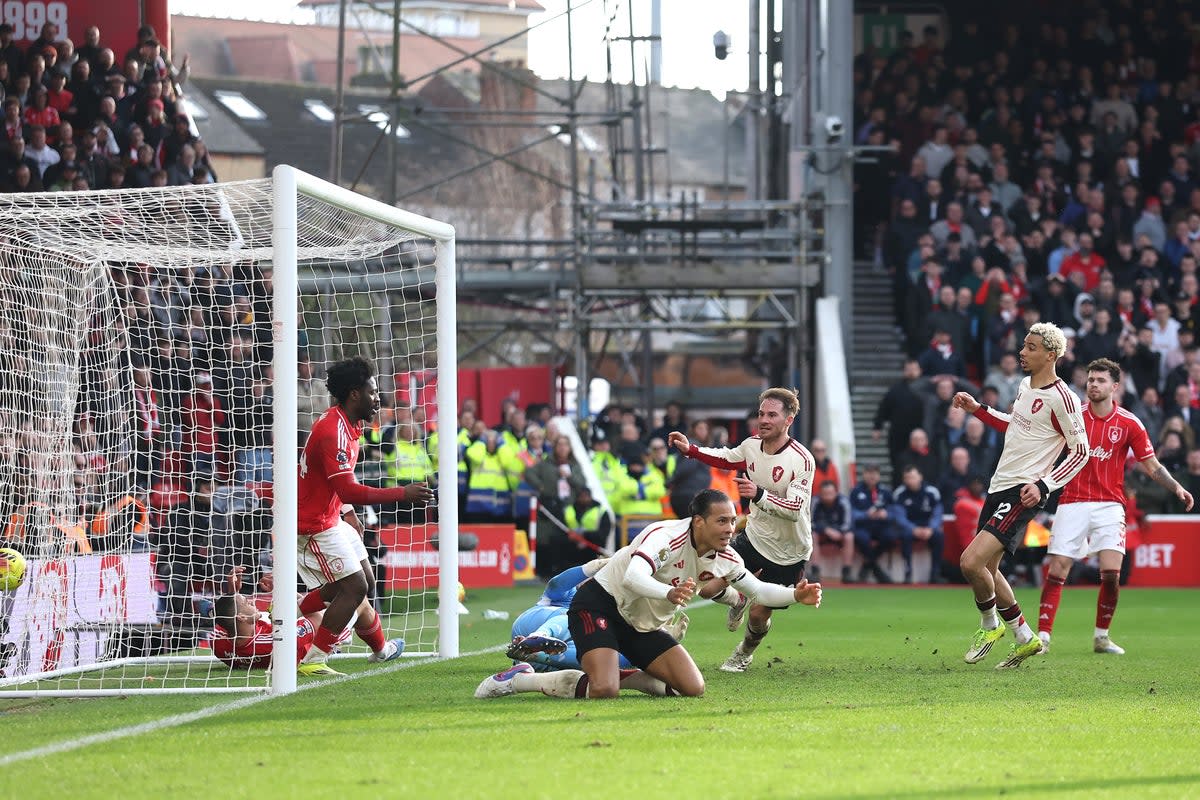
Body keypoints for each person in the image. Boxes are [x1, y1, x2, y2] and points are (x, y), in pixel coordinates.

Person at [473, 490, 822, 700]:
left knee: (692, 688)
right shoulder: (665, 536)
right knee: (604, 690)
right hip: (601, 605)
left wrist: (795, 595)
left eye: (732, 521)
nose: (730, 529)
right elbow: (633, 575)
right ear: (698, 521)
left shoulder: (727, 557)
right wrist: (669, 592)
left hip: (639, 625)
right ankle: (519, 680)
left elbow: (757, 590)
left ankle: (626, 677)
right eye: (722, 521)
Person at [951, 322, 1091, 670]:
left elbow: (1081, 452)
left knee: (970, 562)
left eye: (1031, 347)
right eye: (1024, 345)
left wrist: (1044, 485)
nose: (1022, 352)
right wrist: (978, 410)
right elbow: (1014, 425)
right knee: (989, 569)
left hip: (1023, 491)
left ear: (1051, 355)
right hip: (999, 484)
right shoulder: (1026, 385)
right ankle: (1025, 637)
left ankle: (989, 626)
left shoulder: (1064, 398)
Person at [1037, 359, 1194, 655]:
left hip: (1110, 505)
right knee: (1057, 569)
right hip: (1072, 501)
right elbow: (1044, 447)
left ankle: (1101, 637)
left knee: (1111, 575)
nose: (1094, 385)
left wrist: (1176, 487)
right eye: (1091, 380)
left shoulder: (1129, 423)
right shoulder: (1072, 418)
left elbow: (1152, 465)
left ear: (1115, 387)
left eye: (1100, 380)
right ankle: (1043, 638)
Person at [295, 356, 433, 676]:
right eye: (372, 392)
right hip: (313, 525)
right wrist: (402, 493)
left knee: (366, 582)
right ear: (354, 394)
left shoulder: (349, 424)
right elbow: (349, 489)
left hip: (332, 516)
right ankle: (314, 658)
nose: (378, 399)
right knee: (354, 587)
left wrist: (348, 513)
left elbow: (334, 482)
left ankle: (377, 649)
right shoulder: (333, 431)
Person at [668, 387, 815, 673]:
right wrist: (692, 450)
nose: (764, 420)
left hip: (788, 552)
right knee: (707, 586)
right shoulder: (751, 446)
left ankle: (743, 653)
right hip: (754, 537)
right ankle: (739, 598)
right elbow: (725, 458)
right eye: (761, 414)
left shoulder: (802, 459)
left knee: (759, 615)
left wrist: (759, 494)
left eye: (772, 415)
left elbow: (795, 508)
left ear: (788, 420)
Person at [503, 560, 690, 673]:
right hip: (531, 625)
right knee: (572, 616)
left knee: (601, 659)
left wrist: (659, 643)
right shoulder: (569, 594)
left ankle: (535, 655)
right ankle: (538, 638)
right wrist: (592, 567)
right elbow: (556, 585)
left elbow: (620, 658)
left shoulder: (611, 608)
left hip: (544, 661)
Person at [891, 465, 947, 583]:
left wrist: (931, 528)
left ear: (920, 477)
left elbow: (937, 513)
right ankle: (908, 572)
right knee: (905, 535)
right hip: (909, 527)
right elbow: (899, 517)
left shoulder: (932, 492)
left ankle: (935, 573)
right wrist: (913, 529)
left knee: (939, 536)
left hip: (927, 526)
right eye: (907, 478)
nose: (909, 481)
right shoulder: (899, 493)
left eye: (912, 477)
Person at [810, 480, 856, 584]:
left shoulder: (843, 502)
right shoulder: (815, 501)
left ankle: (846, 572)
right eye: (825, 494)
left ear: (836, 493)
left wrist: (839, 531)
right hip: (821, 533)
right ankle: (815, 571)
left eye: (830, 494)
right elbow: (810, 522)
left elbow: (848, 524)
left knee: (849, 536)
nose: (828, 497)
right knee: (812, 535)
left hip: (839, 534)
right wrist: (826, 530)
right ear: (820, 494)